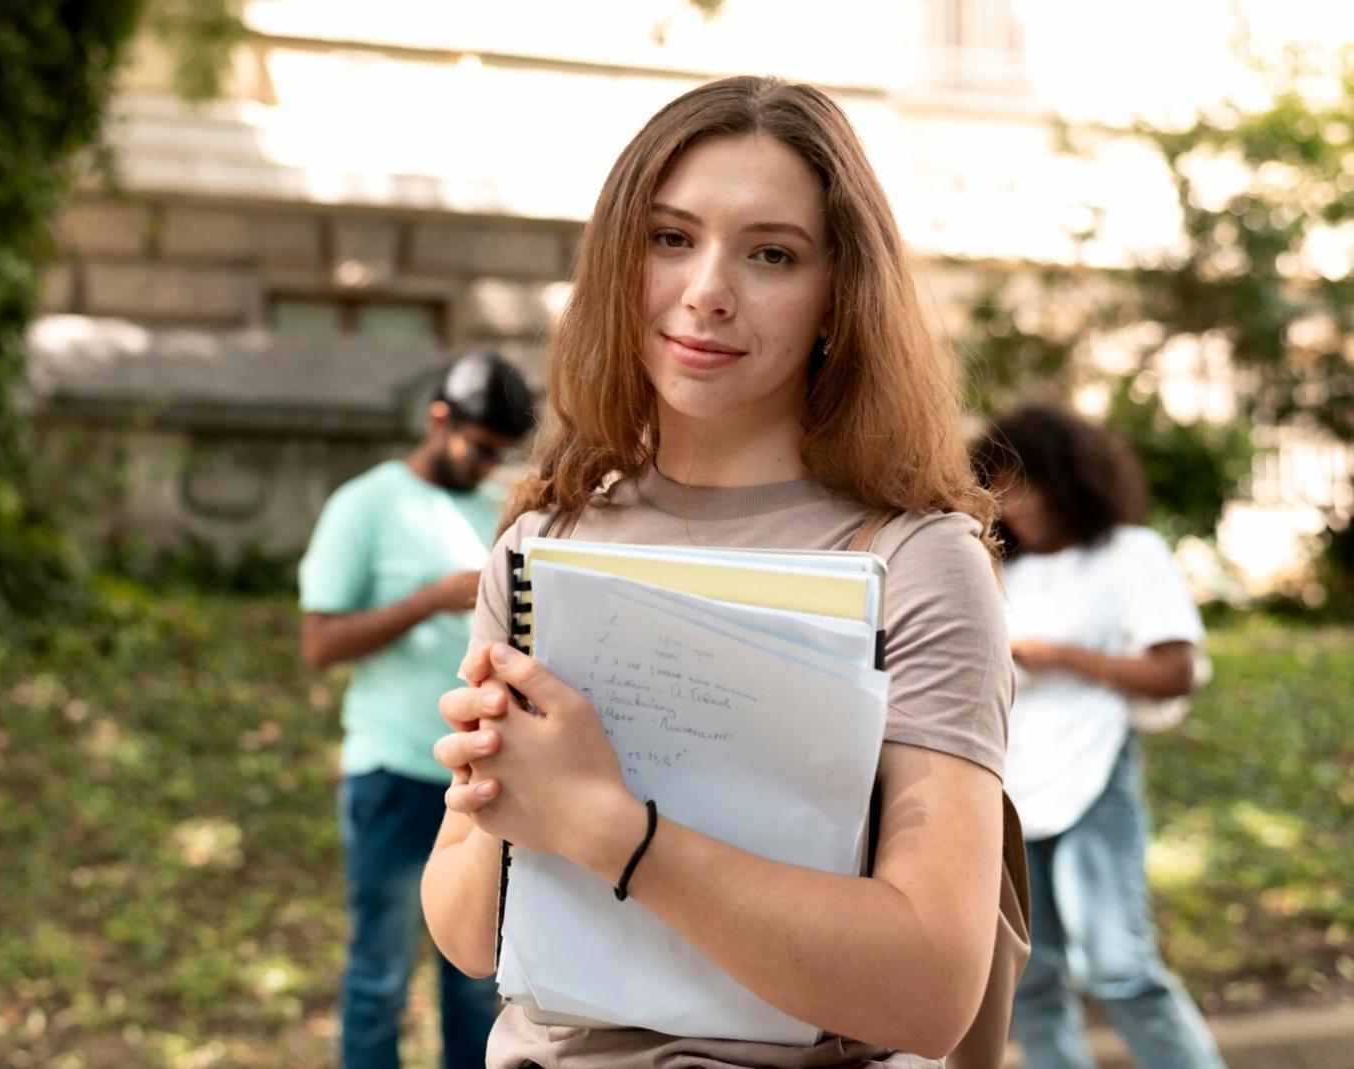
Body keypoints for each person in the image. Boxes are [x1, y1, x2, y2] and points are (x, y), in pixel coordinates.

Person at [420, 76, 1016, 1069]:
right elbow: (468, 935)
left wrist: (611, 829)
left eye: (772, 253)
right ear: (620, 262)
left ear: (838, 295)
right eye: (669, 238)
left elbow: (933, 989)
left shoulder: (914, 561)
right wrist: (499, 801)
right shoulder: (542, 540)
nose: (708, 291)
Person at [299, 350, 536, 1069]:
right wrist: (430, 600)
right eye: (481, 448)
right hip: (393, 775)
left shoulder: (501, 511)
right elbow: (319, 641)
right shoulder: (365, 505)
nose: (489, 463)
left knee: (473, 983)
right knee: (380, 976)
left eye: (503, 453)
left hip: (478, 784)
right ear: (440, 419)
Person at [972, 405, 1225, 1069]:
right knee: (1031, 979)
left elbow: (1174, 671)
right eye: (998, 488)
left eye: (1025, 484)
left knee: (1120, 967)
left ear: (1069, 479)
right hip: (1011, 792)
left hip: (1095, 779)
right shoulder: (995, 568)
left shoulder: (1128, 553)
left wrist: (1063, 656)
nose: (1013, 504)